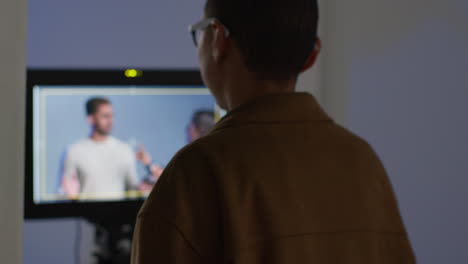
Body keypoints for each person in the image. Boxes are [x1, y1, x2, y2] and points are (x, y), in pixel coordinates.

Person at [131, 0, 415, 263]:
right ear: (311, 56)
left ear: (218, 38)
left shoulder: (195, 172)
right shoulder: (361, 159)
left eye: (200, 31)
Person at [61, 97, 154, 200]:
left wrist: (144, 186)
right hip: (85, 214)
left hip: (118, 214)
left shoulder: (124, 150)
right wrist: (69, 196)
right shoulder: (74, 151)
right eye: (105, 116)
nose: (110, 121)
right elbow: (64, 192)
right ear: (91, 119)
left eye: (112, 116)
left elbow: (132, 189)